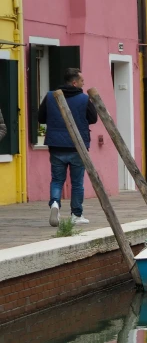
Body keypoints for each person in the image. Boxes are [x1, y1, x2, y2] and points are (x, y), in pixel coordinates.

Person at [38, 68, 97, 227]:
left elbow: (40, 117)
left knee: (57, 179)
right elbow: (93, 119)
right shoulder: (84, 99)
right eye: (82, 81)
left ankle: (55, 204)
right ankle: (76, 215)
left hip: (56, 145)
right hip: (77, 146)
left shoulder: (51, 96)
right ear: (74, 82)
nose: (84, 84)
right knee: (77, 182)